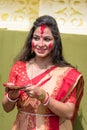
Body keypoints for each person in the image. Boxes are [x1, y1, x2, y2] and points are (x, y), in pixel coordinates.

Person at [2, 15, 84, 130]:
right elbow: (6, 107)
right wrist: (11, 96)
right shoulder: (19, 67)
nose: (40, 44)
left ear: (56, 42)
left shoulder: (67, 74)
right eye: (36, 38)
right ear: (31, 40)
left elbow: (69, 113)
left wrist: (44, 96)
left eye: (46, 39)